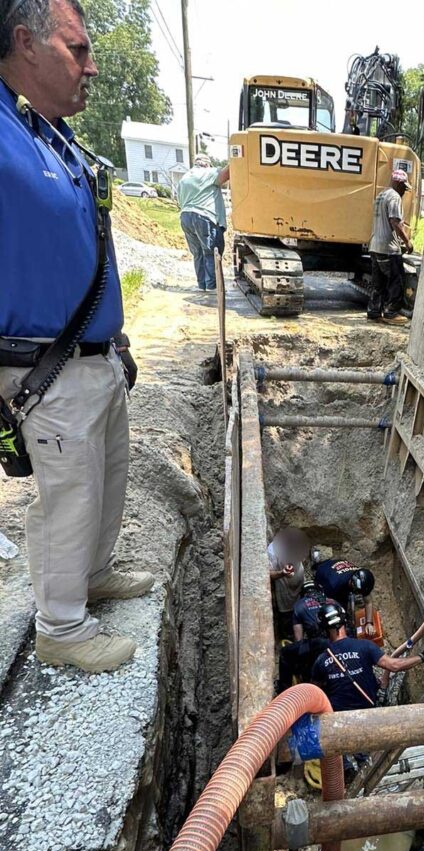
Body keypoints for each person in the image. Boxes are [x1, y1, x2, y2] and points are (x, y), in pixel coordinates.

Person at [0, 0, 154, 674]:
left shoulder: (45, 133)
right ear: (25, 42)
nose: (91, 66)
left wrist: (115, 342)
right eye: (77, 49)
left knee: (105, 480)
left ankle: (92, 575)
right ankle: (62, 626)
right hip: (45, 367)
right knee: (70, 494)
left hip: (95, 358)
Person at [310, 601, 424, 778]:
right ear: (344, 622)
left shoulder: (320, 661)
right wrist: (423, 656)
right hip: (368, 716)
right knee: (368, 756)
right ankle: (367, 771)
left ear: (324, 630)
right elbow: (394, 665)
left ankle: (346, 770)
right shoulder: (364, 646)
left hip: (339, 721)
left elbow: (315, 695)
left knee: (343, 750)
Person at [274, 580, 342, 693]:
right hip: (339, 641)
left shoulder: (299, 605)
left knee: (285, 653)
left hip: (319, 643)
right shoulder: (333, 601)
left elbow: (298, 639)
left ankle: (284, 690)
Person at [177, 154, 230, 292]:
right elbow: (227, 173)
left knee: (198, 253)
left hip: (185, 217)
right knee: (211, 253)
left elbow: (180, 201)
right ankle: (212, 289)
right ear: (207, 164)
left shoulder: (184, 178)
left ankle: (202, 286)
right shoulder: (209, 172)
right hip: (204, 216)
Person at [367, 168, 413, 325]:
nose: (404, 192)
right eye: (404, 188)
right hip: (389, 248)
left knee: (377, 282)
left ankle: (374, 312)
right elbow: (395, 221)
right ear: (398, 184)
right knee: (395, 281)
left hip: (374, 245)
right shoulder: (394, 198)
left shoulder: (381, 196)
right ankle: (391, 313)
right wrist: (407, 242)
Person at [310, 549, 375, 636]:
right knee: (338, 606)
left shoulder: (359, 576)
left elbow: (368, 601)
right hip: (324, 574)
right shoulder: (333, 584)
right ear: (352, 584)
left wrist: (369, 623)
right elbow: (326, 604)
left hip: (336, 568)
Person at [268, 528, 307, 639]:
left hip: (300, 586)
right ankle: (288, 640)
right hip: (285, 592)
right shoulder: (273, 551)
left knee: (302, 612)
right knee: (287, 619)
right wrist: (282, 573)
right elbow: (269, 573)